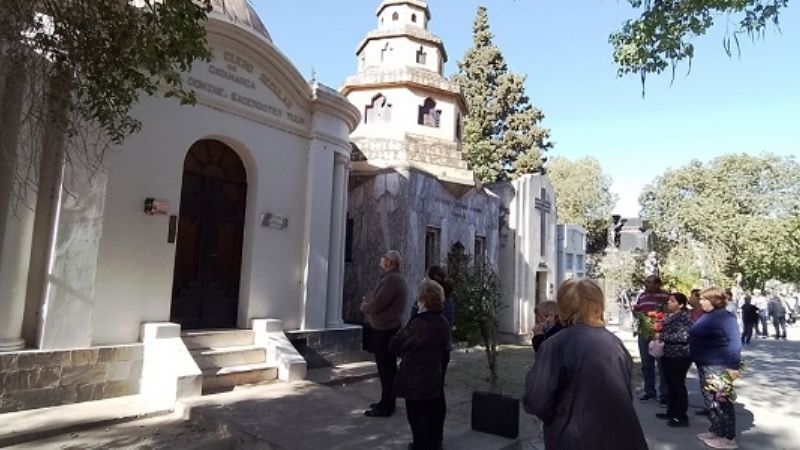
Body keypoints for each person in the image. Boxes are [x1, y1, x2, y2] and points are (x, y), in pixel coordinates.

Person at [523, 279, 648, 450]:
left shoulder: (556, 345)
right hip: (623, 437)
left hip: (576, 439)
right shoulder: (615, 343)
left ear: (563, 307)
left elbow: (537, 402)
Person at [389, 279, 451, 450]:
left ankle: (421, 445)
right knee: (433, 415)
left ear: (423, 299)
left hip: (415, 380)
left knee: (417, 416)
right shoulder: (443, 321)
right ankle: (434, 443)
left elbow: (395, 344)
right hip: (434, 377)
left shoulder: (419, 323)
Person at [690, 287, 742, 450]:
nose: (701, 302)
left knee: (721, 401)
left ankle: (727, 437)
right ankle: (716, 429)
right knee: (710, 400)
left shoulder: (725, 318)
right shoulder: (708, 316)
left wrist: (733, 366)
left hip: (719, 365)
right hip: (705, 364)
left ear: (714, 301)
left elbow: (735, 343)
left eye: (704, 299)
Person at [410, 265, 455, 448]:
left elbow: (413, 327)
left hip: (427, 354)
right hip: (441, 352)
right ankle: (435, 438)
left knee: (424, 398)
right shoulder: (448, 301)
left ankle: (427, 439)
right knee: (436, 395)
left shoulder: (438, 303)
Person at [361, 250, 407, 418]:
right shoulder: (392, 278)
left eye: (384, 258)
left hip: (385, 330)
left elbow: (378, 303)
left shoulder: (392, 279)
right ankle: (386, 401)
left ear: (389, 263)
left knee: (386, 369)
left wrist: (366, 306)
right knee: (386, 368)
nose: (382, 260)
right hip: (385, 328)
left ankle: (387, 405)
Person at [654, 292, 693, 427]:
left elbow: (684, 337)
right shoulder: (668, 316)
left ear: (681, 305)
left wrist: (662, 336)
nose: (668, 303)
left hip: (680, 355)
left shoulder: (684, 318)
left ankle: (681, 416)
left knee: (678, 384)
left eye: (672, 301)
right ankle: (671, 411)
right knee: (670, 384)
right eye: (668, 300)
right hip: (668, 354)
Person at [633, 274, 670, 403]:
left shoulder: (665, 296)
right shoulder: (642, 296)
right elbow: (637, 311)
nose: (646, 284)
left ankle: (664, 394)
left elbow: (669, 311)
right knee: (646, 364)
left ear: (657, 284)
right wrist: (637, 313)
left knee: (662, 365)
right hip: (644, 332)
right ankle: (650, 392)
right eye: (646, 281)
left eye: (649, 282)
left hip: (659, 333)